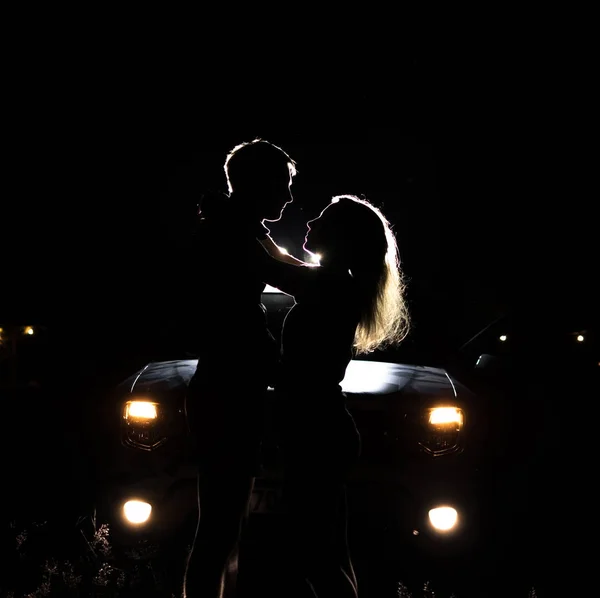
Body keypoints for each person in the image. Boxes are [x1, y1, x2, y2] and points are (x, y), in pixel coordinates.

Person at [253, 195, 410, 597]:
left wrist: (237, 223)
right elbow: (284, 263)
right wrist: (256, 229)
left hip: (315, 429)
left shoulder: (330, 284)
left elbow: (267, 267)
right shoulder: (338, 281)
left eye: (320, 221)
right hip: (324, 425)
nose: (309, 225)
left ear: (342, 238)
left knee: (313, 556)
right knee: (331, 550)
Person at [183, 138, 307, 598]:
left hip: (232, 386)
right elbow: (292, 277)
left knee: (224, 524)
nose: (291, 197)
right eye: (286, 185)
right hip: (227, 391)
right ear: (262, 183)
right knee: (218, 526)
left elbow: (288, 263)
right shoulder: (231, 232)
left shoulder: (243, 226)